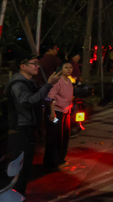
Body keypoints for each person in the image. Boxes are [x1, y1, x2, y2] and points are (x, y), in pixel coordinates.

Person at [4, 54, 62, 195]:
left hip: (27, 129)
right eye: (34, 64)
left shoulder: (29, 82)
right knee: (19, 171)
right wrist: (49, 84)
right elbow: (29, 101)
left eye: (38, 64)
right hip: (19, 130)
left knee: (25, 169)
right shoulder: (18, 84)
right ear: (22, 66)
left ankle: (19, 195)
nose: (37, 66)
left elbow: (38, 98)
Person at [44, 60, 75, 170]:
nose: (69, 69)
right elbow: (50, 97)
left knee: (65, 136)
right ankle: (53, 162)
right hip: (57, 113)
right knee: (56, 137)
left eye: (70, 67)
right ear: (61, 69)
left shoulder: (70, 81)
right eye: (66, 67)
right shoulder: (57, 81)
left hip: (66, 112)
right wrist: (52, 113)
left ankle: (61, 159)